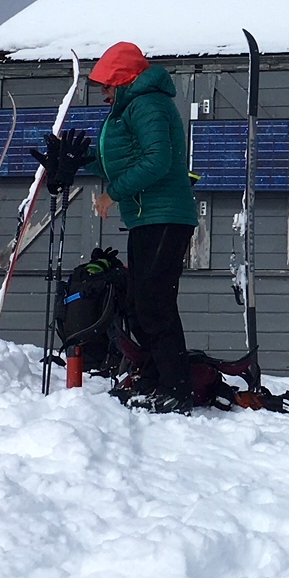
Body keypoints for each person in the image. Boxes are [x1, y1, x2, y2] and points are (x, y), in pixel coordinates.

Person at [88, 41, 199, 409]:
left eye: (106, 84)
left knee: (155, 303)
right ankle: (154, 378)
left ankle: (176, 389)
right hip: (146, 217)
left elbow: (157, 161)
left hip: (165, 215)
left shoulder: (148, 104)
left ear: (121, 80)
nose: (103, 93)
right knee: (138, 302)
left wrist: (111, 194)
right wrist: (77, 160)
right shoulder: (132, 107)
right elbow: (122, 159)